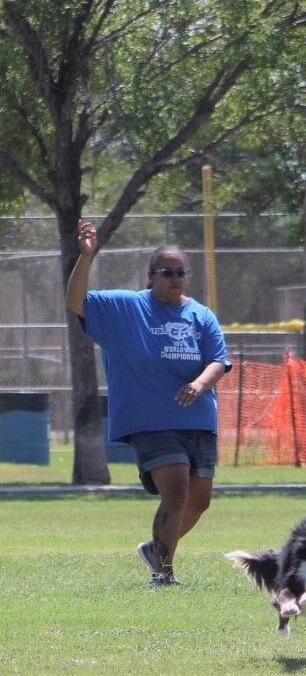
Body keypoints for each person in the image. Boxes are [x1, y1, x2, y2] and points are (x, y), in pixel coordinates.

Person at [66, 219, 230, 586]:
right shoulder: (126, 309)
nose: (175, 278)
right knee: (176, 489)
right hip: (151, 420)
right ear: (151, 276)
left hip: (199, 418)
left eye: (181, 272)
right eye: (166, 272)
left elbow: (218, 361)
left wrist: (199, 383)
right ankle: (164, 573)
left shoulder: (201, 315)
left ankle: (155, 549)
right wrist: (86, 257)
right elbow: (75, 301)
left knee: (199, 502)